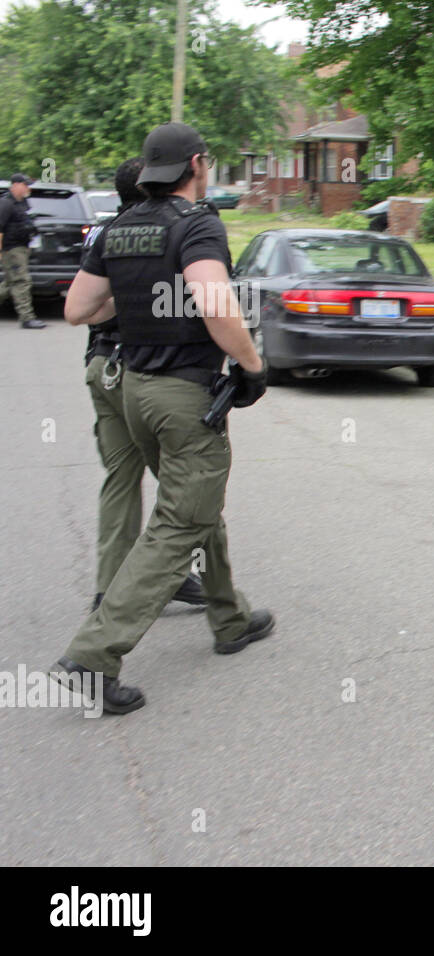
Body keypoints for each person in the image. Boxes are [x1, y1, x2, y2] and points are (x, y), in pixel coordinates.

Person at [51, 122, 274, 715]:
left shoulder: (117, 226)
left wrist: (133, 298)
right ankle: (93, 656)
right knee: (179, 522)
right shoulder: (196, 223)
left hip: (134, 392)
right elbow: (214, 303)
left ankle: (231, 620)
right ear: (198, 164)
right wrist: (251, 365)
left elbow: (77, 309)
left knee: (194, 504)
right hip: (182, 394)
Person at [83, 156, 206, 612]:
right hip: (141, 371)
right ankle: (200, 583)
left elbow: (84, 304)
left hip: (100, 365)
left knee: (120, 478)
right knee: (189, 488)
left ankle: (108, 589)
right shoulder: (167, 231)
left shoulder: (104, 232)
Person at [0, 172, 45, 329]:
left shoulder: (21, 203)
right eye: (25, 185)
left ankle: (27, 317)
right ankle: (27, 318)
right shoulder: (6, 203)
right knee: (22, 282)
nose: (28, 188)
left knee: (10, 283)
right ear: (15, 185)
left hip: (22, 248)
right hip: (12, 249)